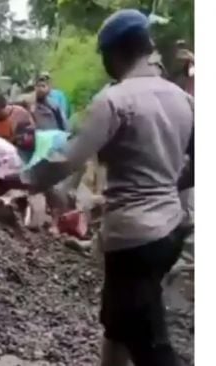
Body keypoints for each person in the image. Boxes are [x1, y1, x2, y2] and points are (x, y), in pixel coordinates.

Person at [21, 9, 194, 366]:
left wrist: (19, 179)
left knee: (151, 347)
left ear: (113, 55)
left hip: (134, 240)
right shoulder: (182, 98)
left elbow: (67, 159)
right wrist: (166, 186)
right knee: (117, 326)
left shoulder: (115, 100)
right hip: (171, 230)